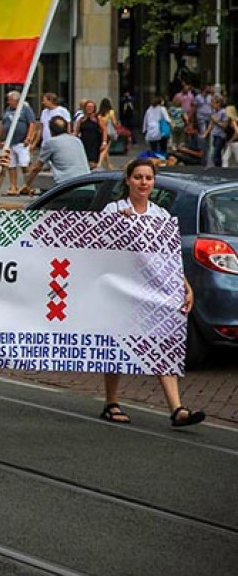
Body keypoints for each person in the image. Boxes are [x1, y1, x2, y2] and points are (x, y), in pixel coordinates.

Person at [98, 159, 206, 429]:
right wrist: (115, 226)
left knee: (162, 342)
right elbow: (97, 245)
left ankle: (177, 408)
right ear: (128, 180)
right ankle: (111, 402)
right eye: (138, 177)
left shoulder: (160, 216)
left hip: (152, 291)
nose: (143, 182)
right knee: (117, 344)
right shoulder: (113, 210)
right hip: (121, 288)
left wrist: (184, 285)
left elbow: (167, 258)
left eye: (148, 178)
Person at [21, 116, 90, 188]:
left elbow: (37, 168)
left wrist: (26, 185)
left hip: (67, 186)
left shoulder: (51, 143)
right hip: (87, 183)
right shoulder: (77, 140)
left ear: (51, 130)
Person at [0, 90, 35, 196]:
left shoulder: (25, 109)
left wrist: (29, 137)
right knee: (11, 165)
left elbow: (31, 123)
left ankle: (28, 185)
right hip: (9, 141)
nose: (8, 102)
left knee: (24, 164)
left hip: (21, 142)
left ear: (16, 100)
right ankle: (13, 186)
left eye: (10, 100)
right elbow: (3, 125)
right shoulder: (8, 110)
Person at [74, 100, 107, 169]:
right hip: (84, 142)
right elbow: (76, 132)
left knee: (92, 163)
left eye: (91, 107)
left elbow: (104, 130)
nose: (89, 108)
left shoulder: (98, 118)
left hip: (95, 143)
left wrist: (104, 142)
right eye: (88, 106)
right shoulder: (81, 119)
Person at [98, 98, 123, 170]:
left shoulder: (100, 113)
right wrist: (118, 125)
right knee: (105, 149)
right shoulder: (111, 112)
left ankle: (108, 164)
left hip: (101, 132)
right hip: (109, 132)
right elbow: (114, 122)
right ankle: (102, 164)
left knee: (106, 150)